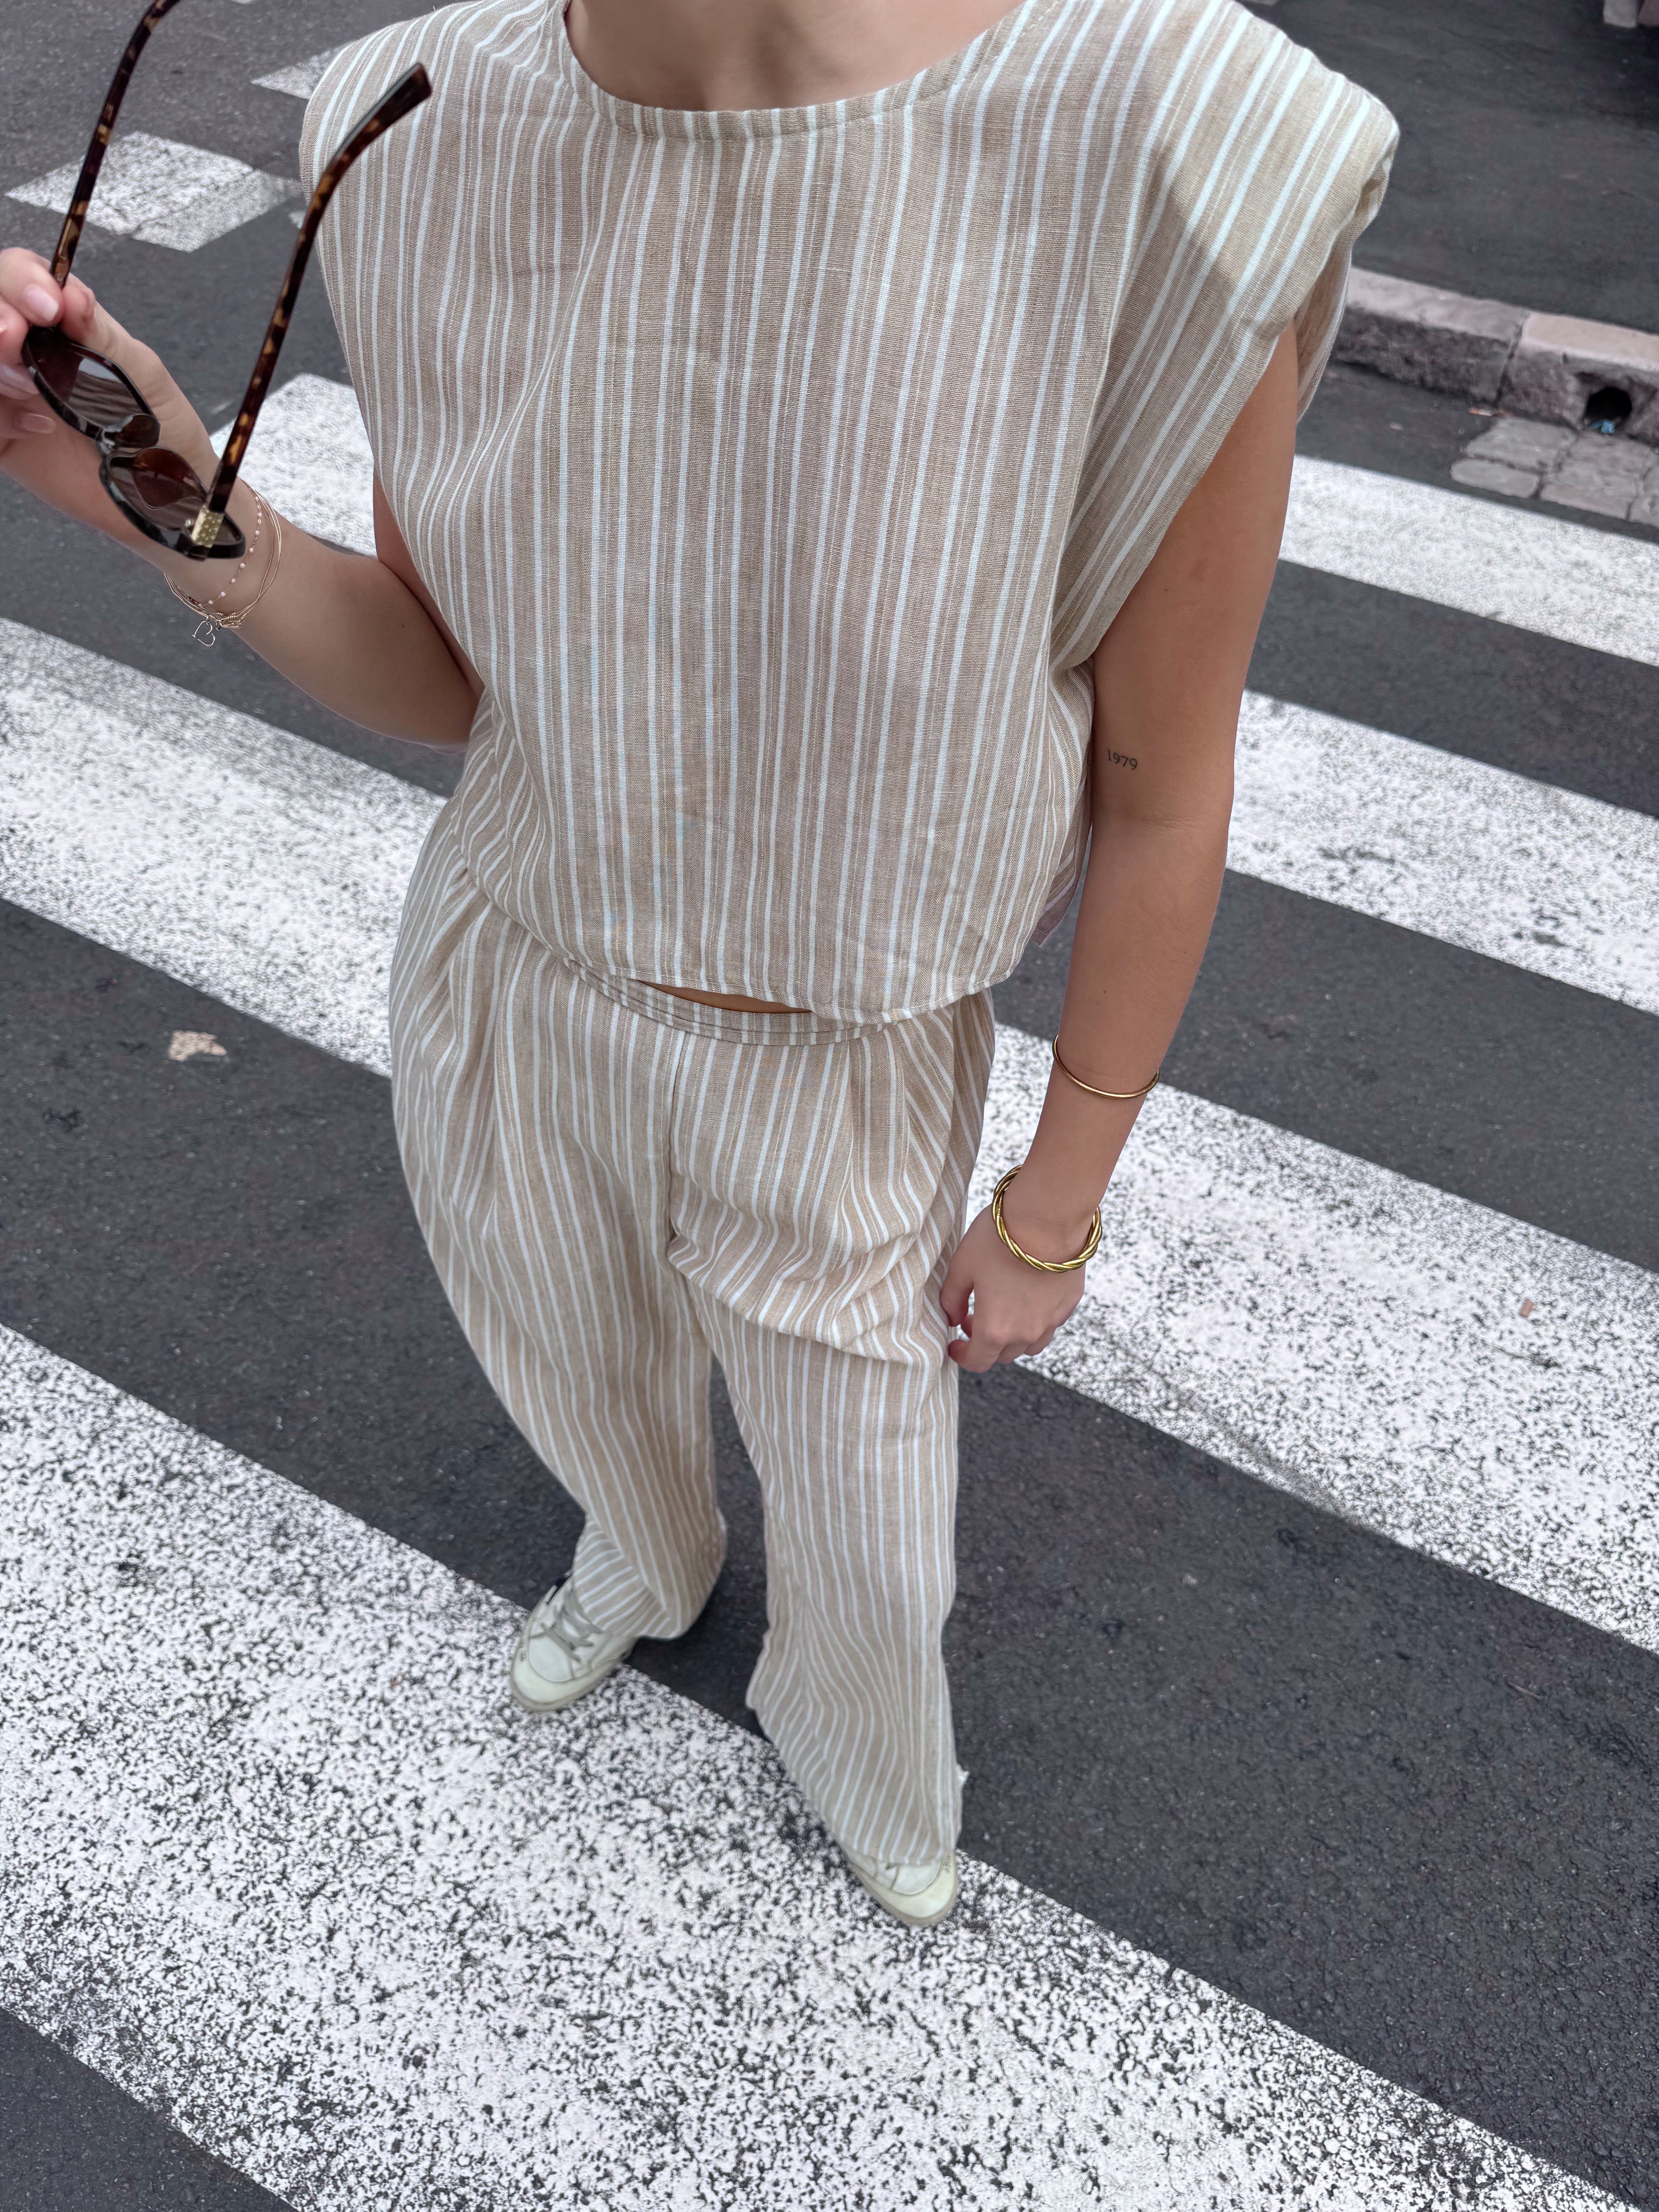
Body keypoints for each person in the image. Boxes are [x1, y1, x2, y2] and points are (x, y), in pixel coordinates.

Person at [0, 0, 1394, 1929]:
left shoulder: (1173, 143)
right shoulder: (414, 119)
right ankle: (650, 1552)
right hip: (509, 966)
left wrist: (1056, 1205)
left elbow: (1164, 782)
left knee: (867, 1511)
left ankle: (860, 1735)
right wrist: (147, 473)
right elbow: (454, 672)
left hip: (844, 1054)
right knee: (567, 1363)